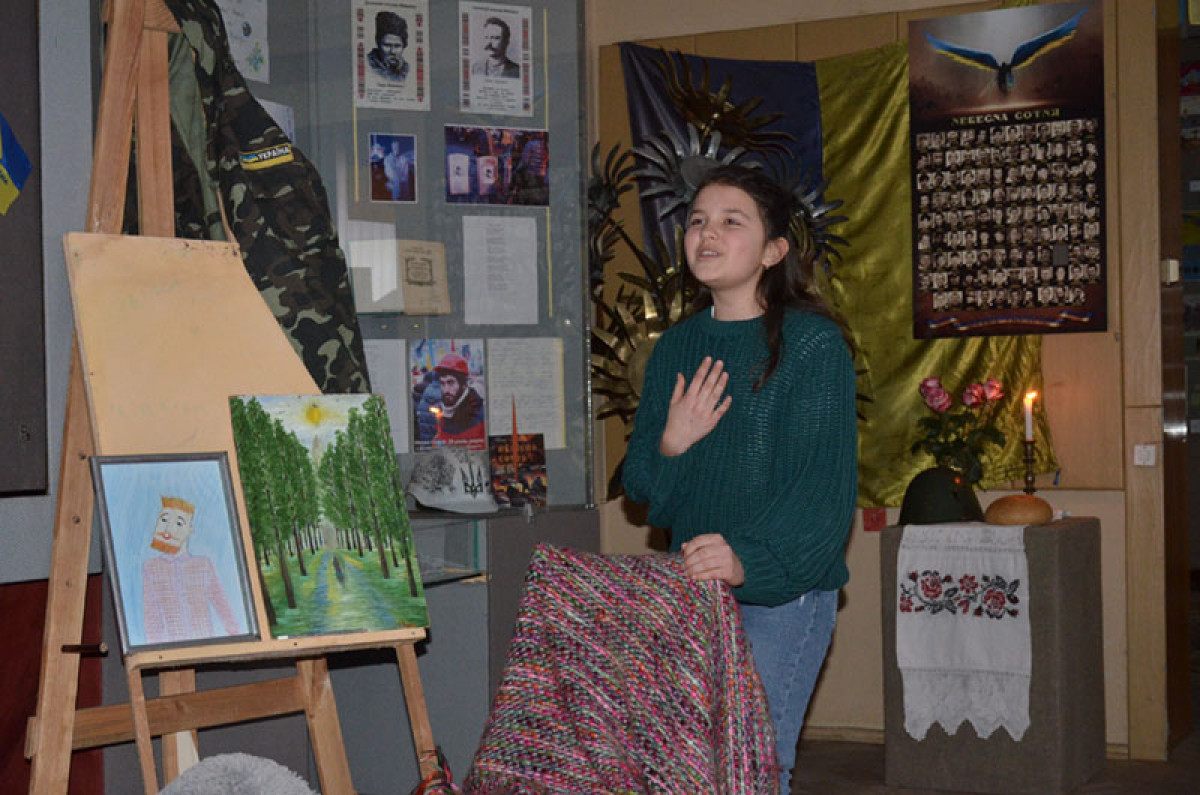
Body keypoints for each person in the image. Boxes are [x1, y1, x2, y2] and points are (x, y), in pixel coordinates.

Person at [622, 164, 858, 792]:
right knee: (687, 773)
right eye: (698, 220)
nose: (707, 233)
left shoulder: (811, 345)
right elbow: (644, 490)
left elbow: (822, 497)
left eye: (731, 221)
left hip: (779, 597)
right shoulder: (675, 348)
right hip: (691, 594)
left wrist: (745, 558)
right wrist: (674, 442)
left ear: (773, 251)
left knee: (750, 771)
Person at [142, 496, 242, 645]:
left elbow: (221, 603)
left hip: (205, 642)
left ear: (189, 531)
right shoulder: (151, 568)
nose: (169, 528)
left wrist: (237, 637)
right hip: (172, 646)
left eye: (178, 523)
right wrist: (155, 649)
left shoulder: (203, 564)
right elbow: (151, 615)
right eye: (164, 520)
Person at [418, 353, 486, 449]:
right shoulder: (441, 411)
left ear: (463, 384)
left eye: (451, 383)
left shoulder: (479, 414)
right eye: (442, 383)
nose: (446, 390)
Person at [368, 11, 408, 82]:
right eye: (387, 45)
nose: (392, 51)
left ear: (404, 46)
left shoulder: (407, 70)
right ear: (378, 44)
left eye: (397, 46)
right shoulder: (368, 65)